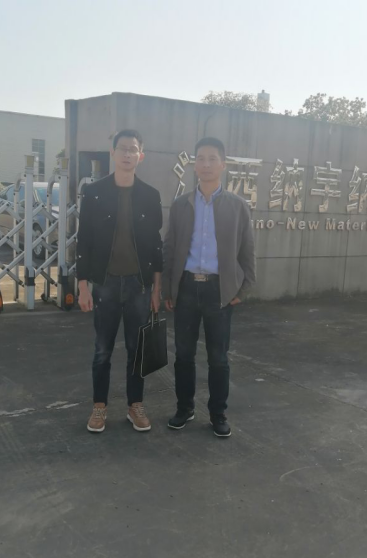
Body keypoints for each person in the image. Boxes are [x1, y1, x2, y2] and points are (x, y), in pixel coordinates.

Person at [163, 137, 256, 437]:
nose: (205, 164)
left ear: (223, 164)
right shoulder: (181, 205)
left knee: (218, 358)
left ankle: (218, 414)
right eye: (200, 159)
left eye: (212, 159)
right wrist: (167, 289)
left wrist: (243, 289)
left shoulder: (237, 206)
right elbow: (169, 248)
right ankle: (184, 408)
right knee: (183, 355)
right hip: (186, 289)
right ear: (194, 165)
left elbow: (247, 250)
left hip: (220, 291)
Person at [76, 129, 163, 433]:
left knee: (137, 350)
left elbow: (155, 246)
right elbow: (84, 240)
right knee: (103, 350)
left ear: (141, 155)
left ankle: (135, 405)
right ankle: (99, 407)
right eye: (122, 148)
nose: (127, 154)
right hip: (106, 284)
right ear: (112, 153)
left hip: (139, 286)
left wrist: (156, 289)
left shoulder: (150, 195)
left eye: (133, 149)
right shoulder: (94, 192)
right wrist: (83, 285)